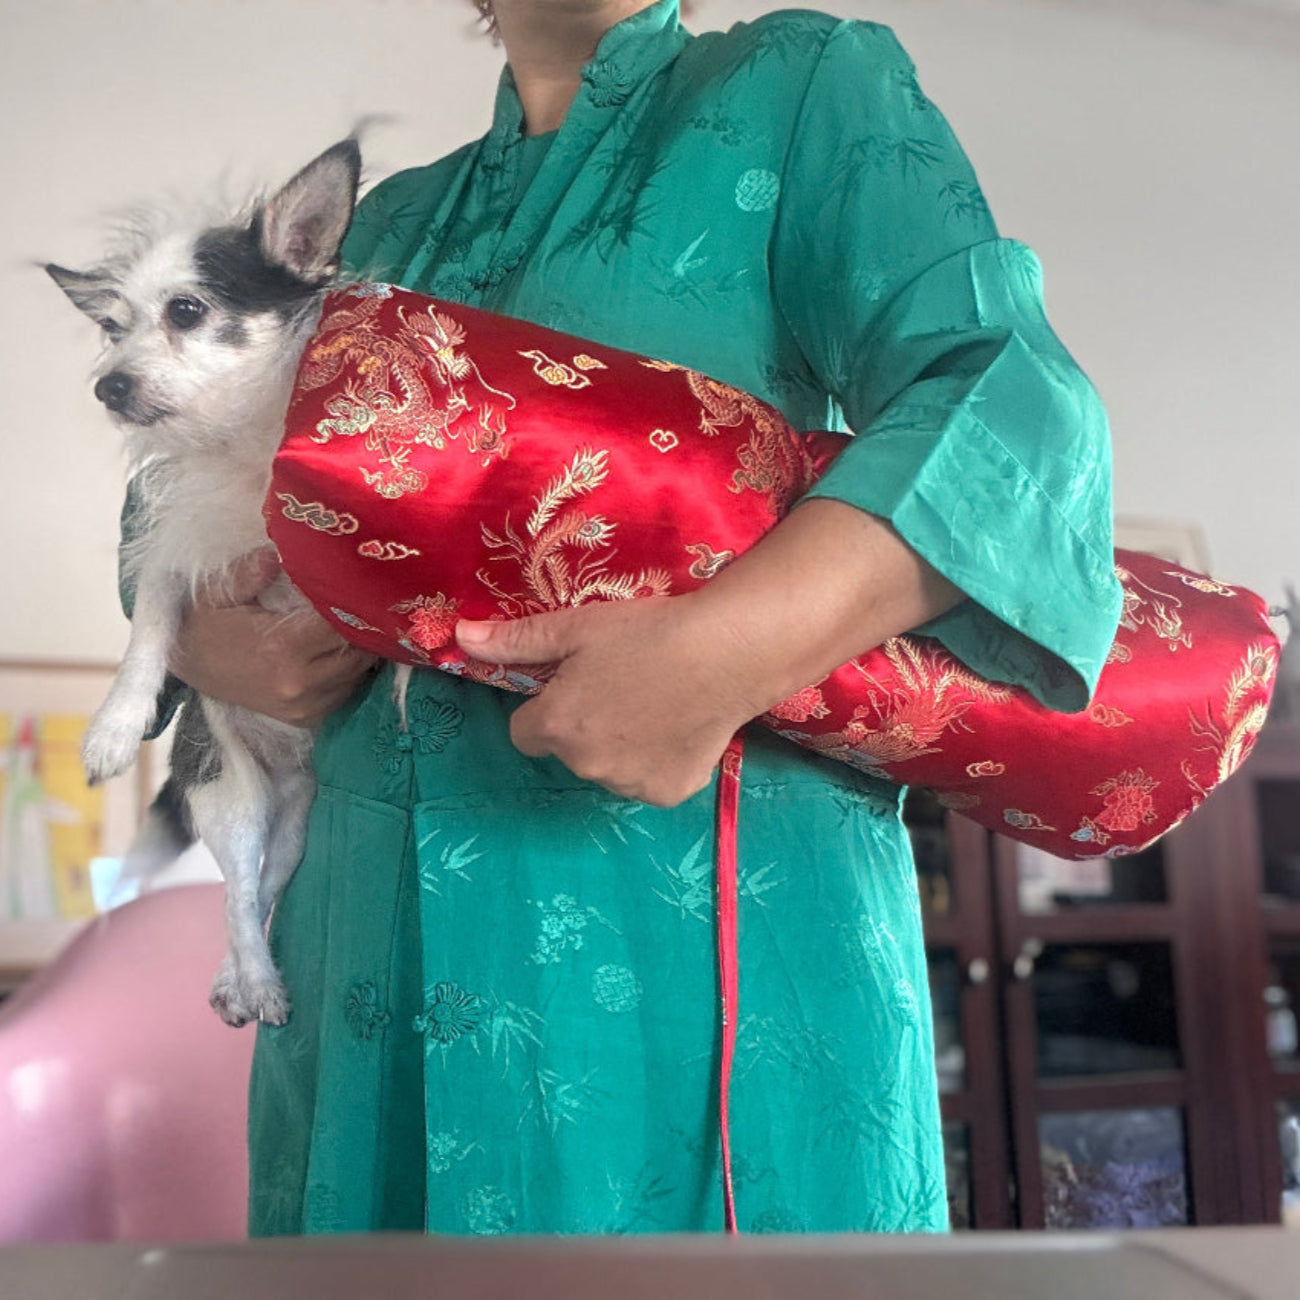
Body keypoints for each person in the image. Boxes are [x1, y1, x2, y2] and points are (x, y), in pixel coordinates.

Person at [168, 0, 1121, 1234]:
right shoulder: (387, 220)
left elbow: (1009, 403)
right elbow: (190, 453)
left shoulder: (802, 87)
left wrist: (722, 654)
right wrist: (195, 634)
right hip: (362, 945)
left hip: (692, 926)